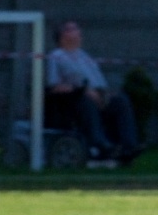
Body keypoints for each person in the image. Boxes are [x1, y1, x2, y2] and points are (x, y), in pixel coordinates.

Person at [46, 20, 142, 163]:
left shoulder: (85, 56)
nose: (79, 32)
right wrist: (82, 91)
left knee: (120, 101)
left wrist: (105, 94)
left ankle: (128, 146)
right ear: (63, 35)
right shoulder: (56, 56)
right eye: (74, 29)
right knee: (86, 102)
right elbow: (53, 86)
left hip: (98, 94)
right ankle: (101, 144)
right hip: (73, 100)